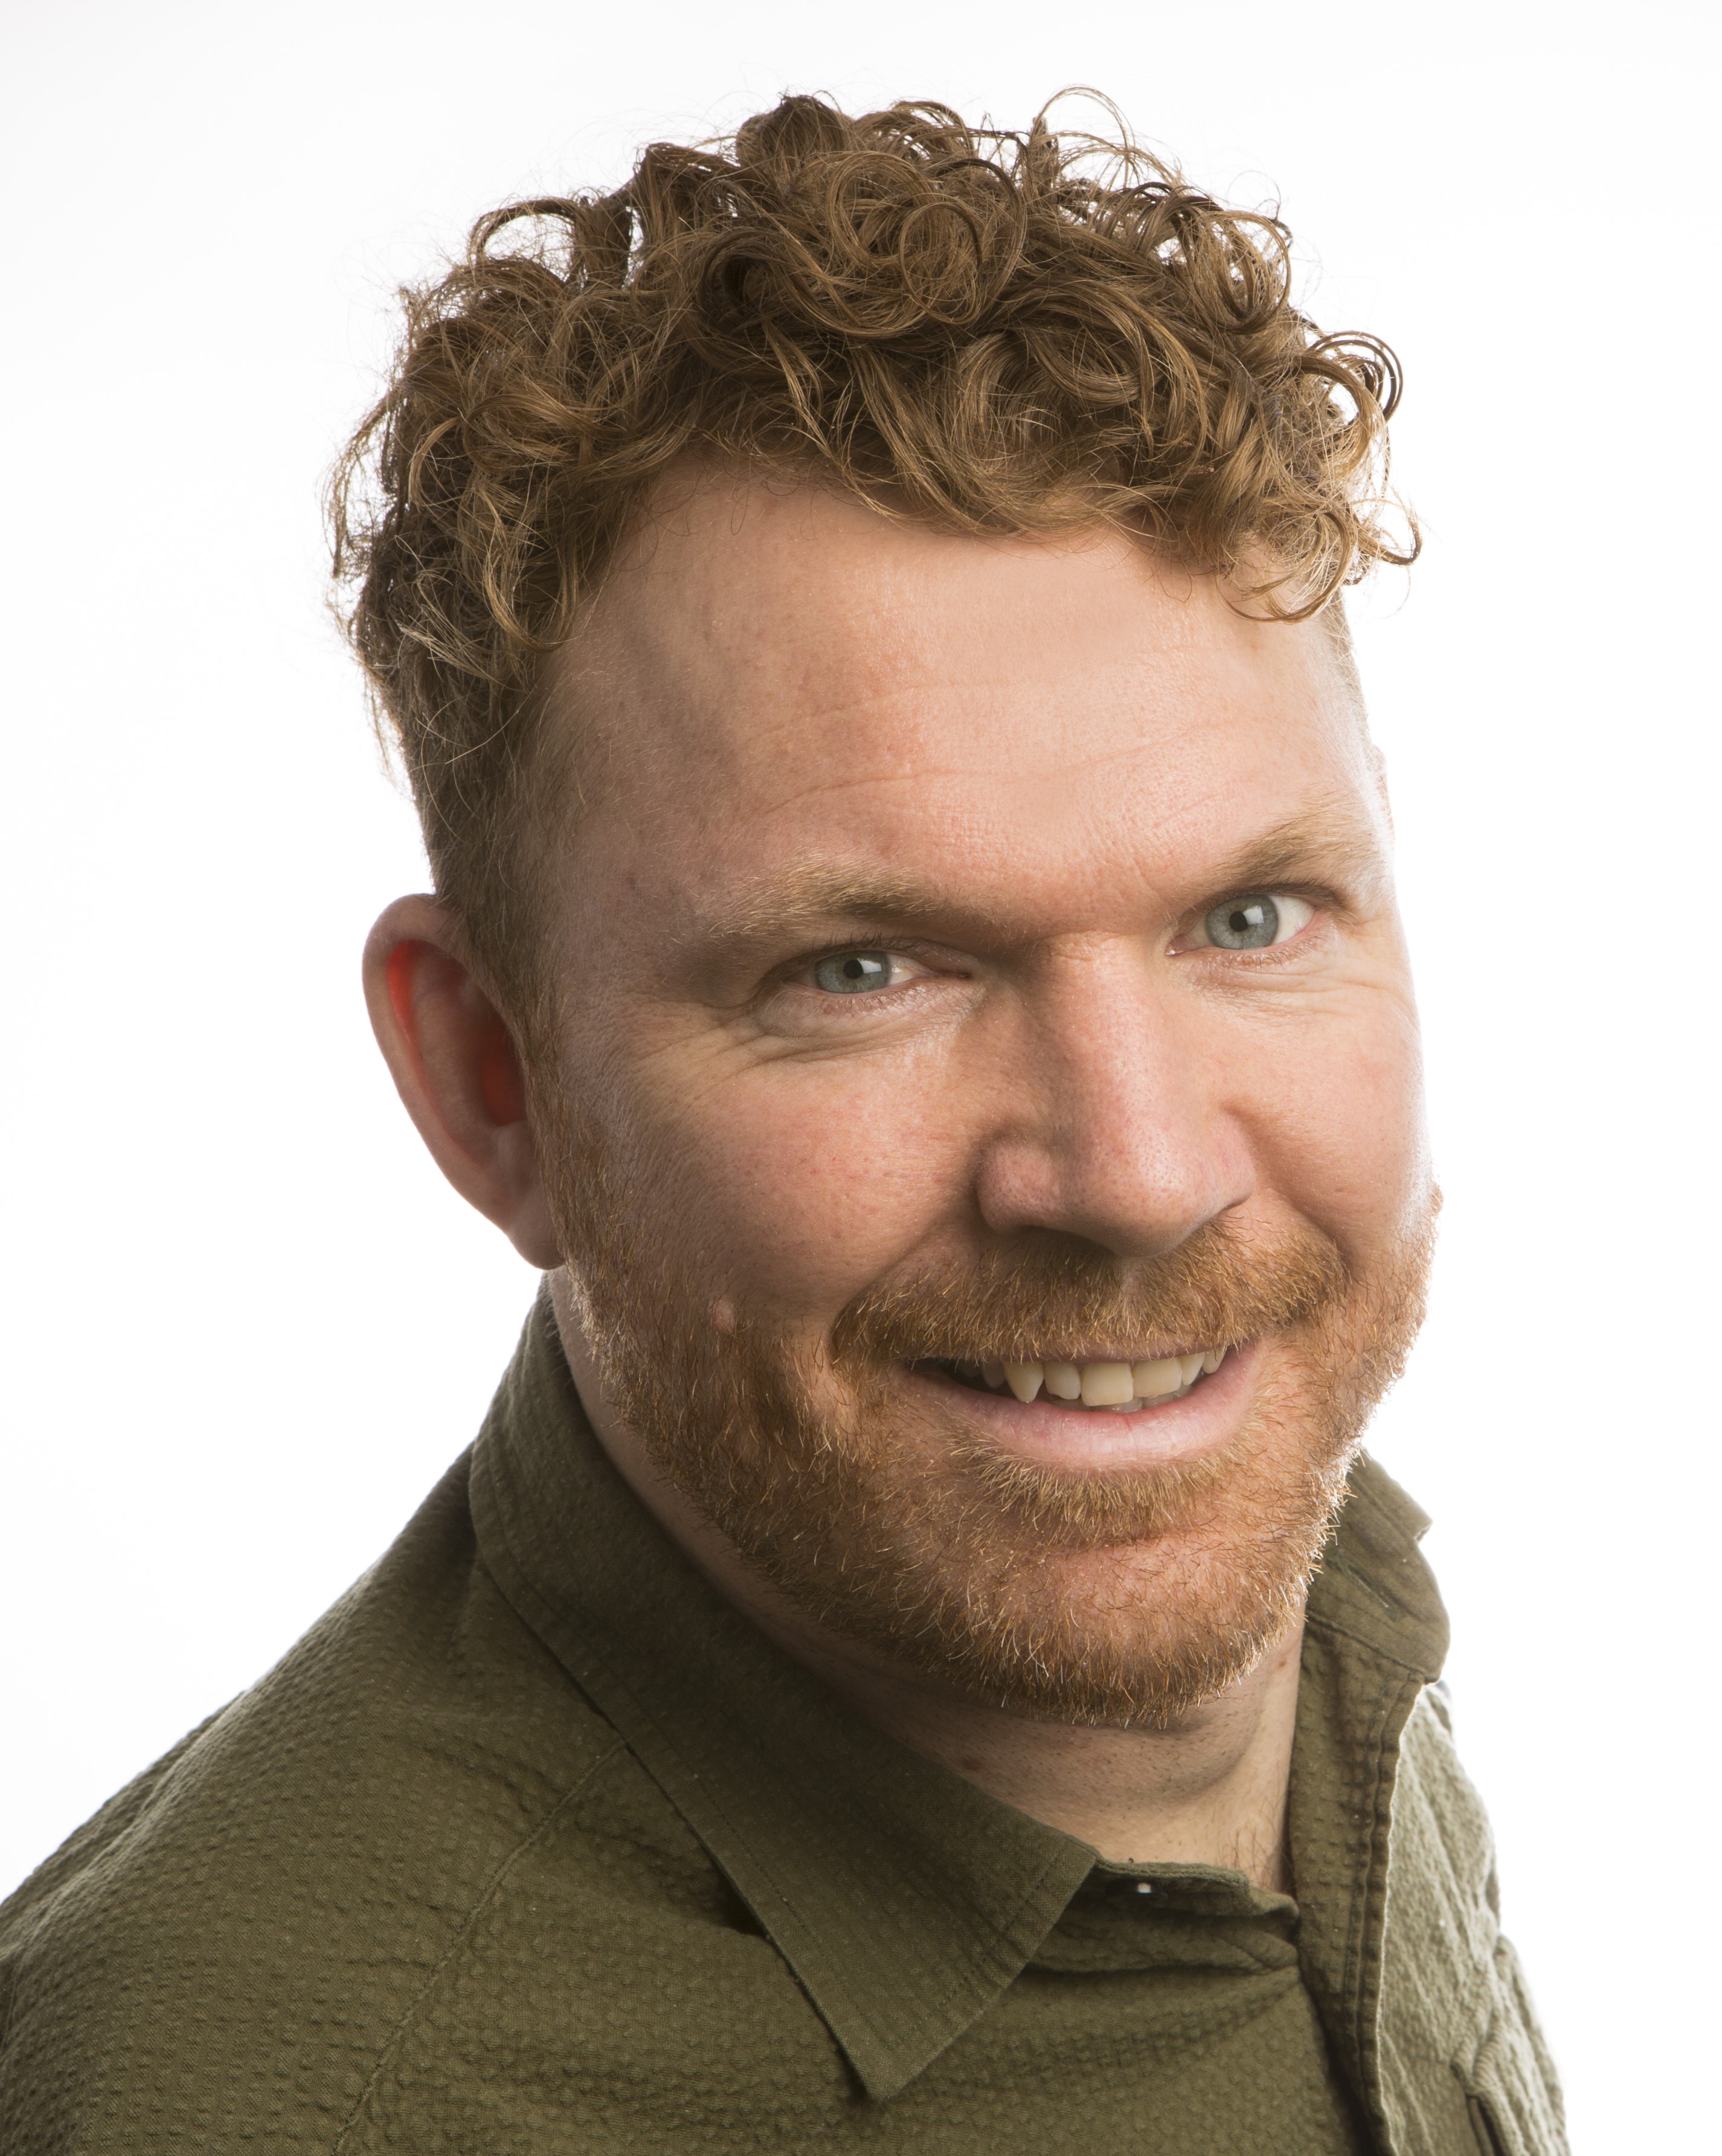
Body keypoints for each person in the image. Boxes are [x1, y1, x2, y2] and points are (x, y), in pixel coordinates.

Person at [0, 94, 1565, 2154]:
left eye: (1248, 915)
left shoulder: (1308, 1615)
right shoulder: (260, 2104)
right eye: (865, 969)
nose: (1138, 1172)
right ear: (493, 1083)